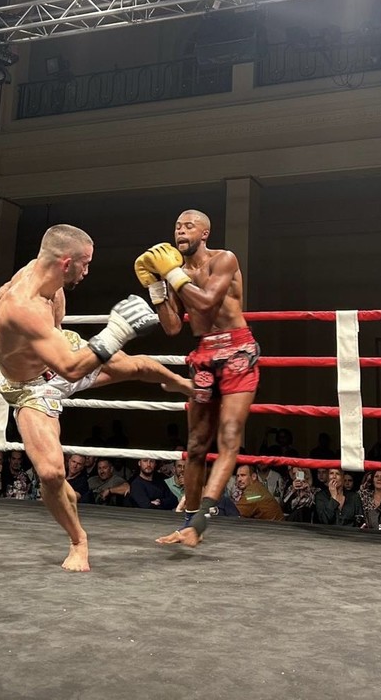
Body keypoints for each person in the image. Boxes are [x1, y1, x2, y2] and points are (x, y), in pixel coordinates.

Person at [0, 223, 192, 572]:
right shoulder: (25, 306)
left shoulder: (40, 273)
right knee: (51, 474)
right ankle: (78, 539)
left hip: (61, 350)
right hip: (32, 387)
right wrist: (117, 331)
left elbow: (4, 288)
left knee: (138, 366)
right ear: (66, 263)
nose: (88, 271)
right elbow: (71, 369)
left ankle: (184, 386)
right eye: (85, 263)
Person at [134, 209, 260, 546]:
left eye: (189, 226)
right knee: (195, 445)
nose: (181, 231)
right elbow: (173, 327)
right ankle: (188, 523)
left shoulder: (224, 259)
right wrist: (156, 287)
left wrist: (171, 274)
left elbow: (205, 303)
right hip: (203, 356)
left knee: (229, 435)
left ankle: (201, 520)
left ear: (204, 233)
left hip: (237, 351)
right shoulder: (177, 275)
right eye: (177, 226)